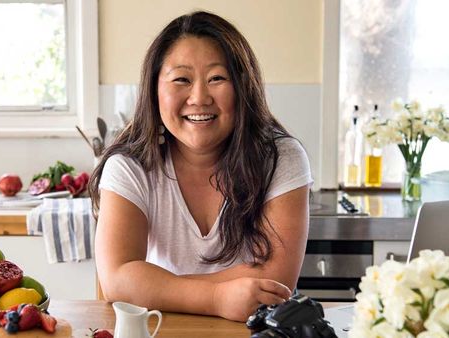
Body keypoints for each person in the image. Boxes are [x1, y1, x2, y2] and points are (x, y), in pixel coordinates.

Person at [89, 11, 312, 322]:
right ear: (154, 89)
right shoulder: (129, 166)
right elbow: (116, 279)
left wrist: (152, 285)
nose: (199, 97)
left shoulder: (281, 158)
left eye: (217, 79)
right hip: (162, 329)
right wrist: (218, 298)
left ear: (243, 87)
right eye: (181, 79)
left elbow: (275, 280)